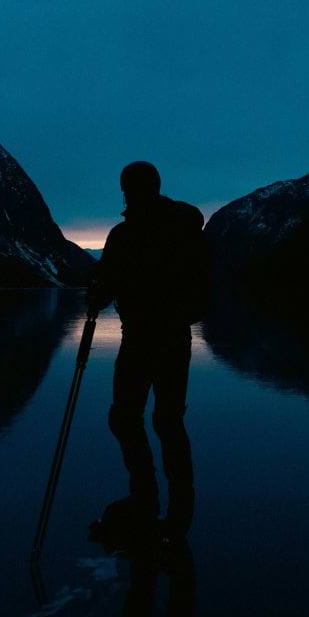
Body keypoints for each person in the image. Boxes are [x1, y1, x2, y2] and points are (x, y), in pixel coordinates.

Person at [88, 161, 210, 541]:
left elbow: (106, 283)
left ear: (130, 190)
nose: (126, 195)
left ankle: (147, 496)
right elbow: (201, 284)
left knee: (128, 418)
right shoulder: (184, 229)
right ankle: (176, 505)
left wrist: (97, 297)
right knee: (166, 420)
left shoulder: (124, 236)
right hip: (174, 339)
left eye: (128, 188)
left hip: (141, 339)